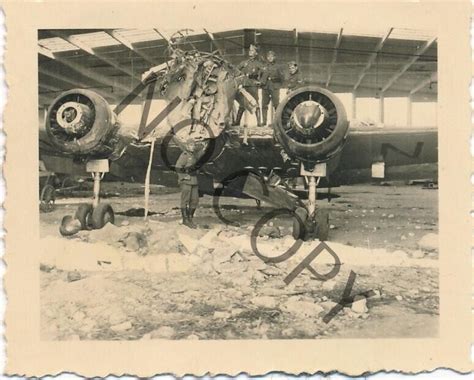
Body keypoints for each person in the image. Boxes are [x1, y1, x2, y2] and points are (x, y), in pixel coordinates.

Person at [235, 44, 264, 127]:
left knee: (255, 103)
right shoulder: (244, 62)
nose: (250, 52)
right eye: (250, 50)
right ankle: (237, 122)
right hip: (245, 85)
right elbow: (236, 70)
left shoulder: (258, 63)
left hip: (253, 85)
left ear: (256, 53)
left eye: (252, 51)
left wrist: (260, 81)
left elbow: (265, 72)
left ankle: (259, 122)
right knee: (242, 103)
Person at [175, 139, 201, 229]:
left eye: (193, 145)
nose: (192, 147)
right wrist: (183, 176)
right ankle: (185, 220)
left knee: (195, 200)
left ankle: (190, 218)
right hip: (186, 181)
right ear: (187, 146)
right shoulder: (184, 155)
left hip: (194, 180)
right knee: (185, 200)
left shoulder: (193, 155)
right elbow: (178, 167)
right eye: (190, 145)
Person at [260, 50, 284, 126]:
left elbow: (282, 78)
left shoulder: (278, 67)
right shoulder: (263, 66)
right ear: (267, 58)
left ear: (274, 57)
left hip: (274, 88)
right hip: (265, 87)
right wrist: (262, 83)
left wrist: (278, 85)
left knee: (276, 105)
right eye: (268, 56)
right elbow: (260, 76)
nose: (270, 58)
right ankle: (264, 122)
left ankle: (277, 122)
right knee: (264, 105)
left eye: (271, 56)